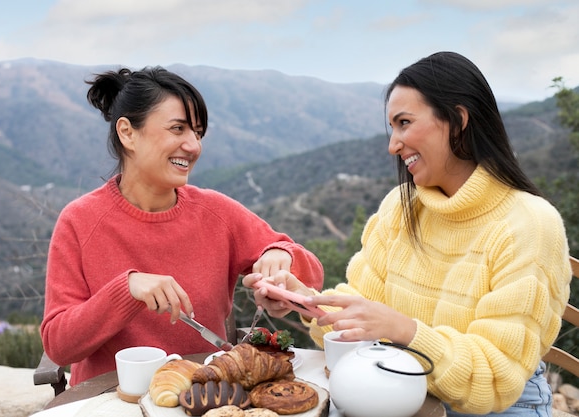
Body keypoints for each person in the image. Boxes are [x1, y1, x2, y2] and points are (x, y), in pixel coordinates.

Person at [243, 52, 572, 416]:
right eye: (392, 127)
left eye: (404, 123)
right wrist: (304, 301)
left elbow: (494, 380)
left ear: (458, 120)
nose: (393, 145)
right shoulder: (401, 208)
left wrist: (402, 329)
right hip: (395, 386)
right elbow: (365, 311)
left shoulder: (528, 224)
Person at [40, 66, 324, 386]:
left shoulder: (217, 212)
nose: (193, 146)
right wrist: (126, 290)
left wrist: (281, 256)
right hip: (114, 400)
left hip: (204, 397)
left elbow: (310, 272)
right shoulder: (79, 221)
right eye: (178, 129)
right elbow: (58, 346)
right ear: (127, 132)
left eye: (198, 133)